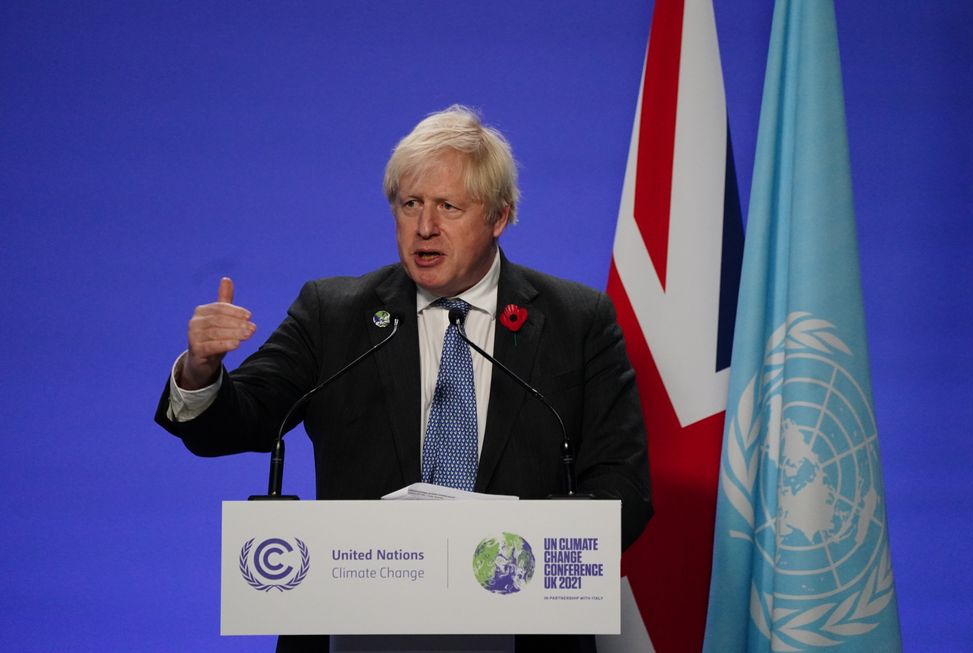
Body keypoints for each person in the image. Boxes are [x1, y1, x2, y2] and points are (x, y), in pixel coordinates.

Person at [155, 105, 652, 653]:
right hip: (359, 629)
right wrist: (202, 369)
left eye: (448, 206)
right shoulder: (334, 313)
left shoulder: (576, 321)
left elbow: (622, 486)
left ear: (499, 216)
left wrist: (526, 561)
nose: (425, 227)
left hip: (522, 630)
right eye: (410, 203)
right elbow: (241, 420)